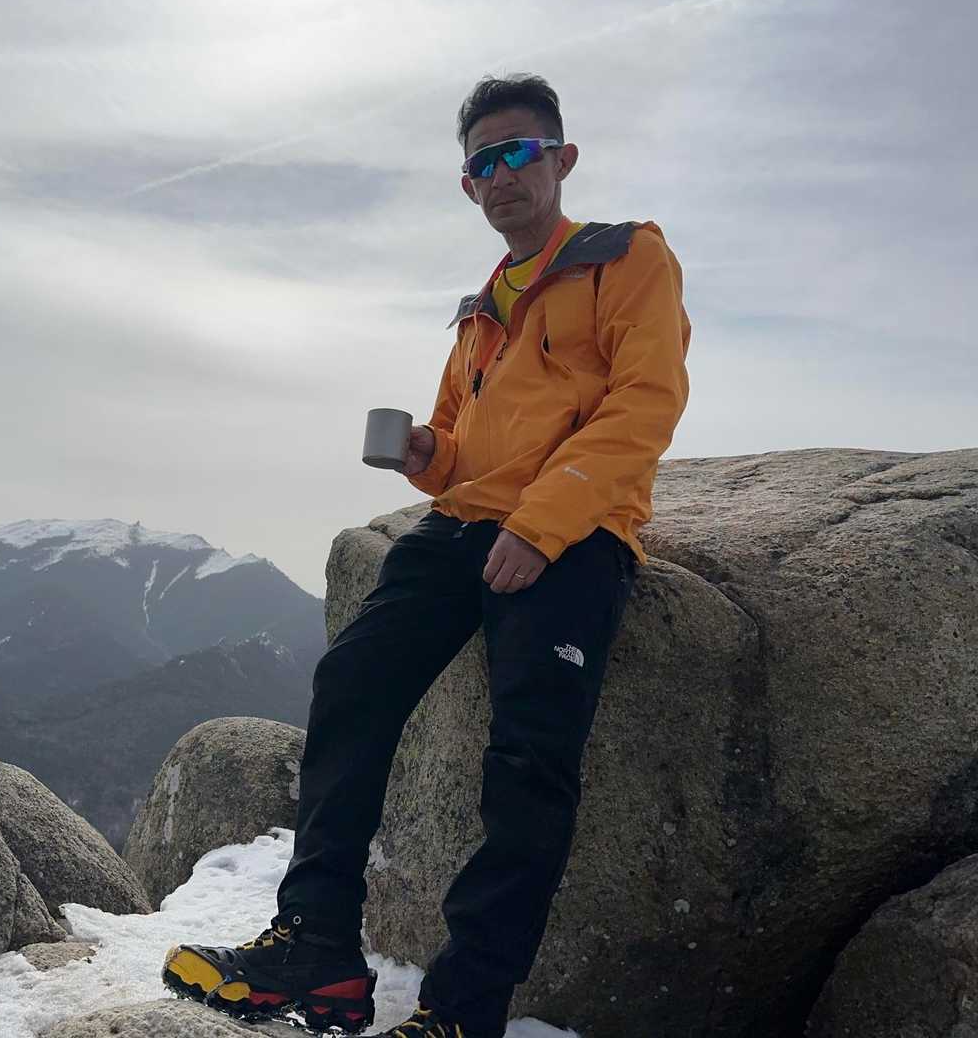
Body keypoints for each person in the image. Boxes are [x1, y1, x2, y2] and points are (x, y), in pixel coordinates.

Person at [160, 73, 691, 1037]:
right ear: (467, 185)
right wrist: (427, 455)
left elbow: (644, 402)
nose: (502, 174)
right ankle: (317, 945)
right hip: (461, 526)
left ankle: (463, 1011)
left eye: (520, 151)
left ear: (562, 160)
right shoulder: (482, 306)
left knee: (528, 762)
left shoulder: (626, 258)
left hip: (572, 536)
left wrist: (543, 524)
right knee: (350, 684)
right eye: (483, 161)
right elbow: (462, 443)